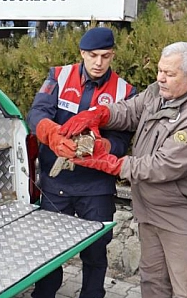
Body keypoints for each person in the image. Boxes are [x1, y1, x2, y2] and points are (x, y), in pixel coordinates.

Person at [60, 41, 187, 298]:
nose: (160, 78)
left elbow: (163, 166)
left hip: (181, 221)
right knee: (153, 285)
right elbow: (130, 111)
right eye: (159, 70)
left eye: (169, 74)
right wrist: (99, 114)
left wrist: (111, 162)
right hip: (150, 213)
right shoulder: (158, 92)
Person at [26, 26, 136, 298]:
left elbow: (123, 139)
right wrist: (51, 134)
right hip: (56, 182)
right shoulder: (59, 76)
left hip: (96, 187)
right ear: (82, 53)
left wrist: (102, 147)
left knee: (95, 253)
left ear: (112, 56)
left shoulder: (125, 91)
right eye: (93, 55)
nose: (99, 63)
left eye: (106, 56)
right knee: (50, 252)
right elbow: (37, 113)